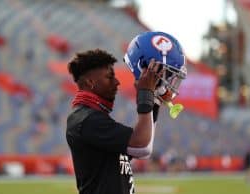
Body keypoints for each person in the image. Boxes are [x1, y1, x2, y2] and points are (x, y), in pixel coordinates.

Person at [66, 31, 186, 194]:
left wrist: (154, 100)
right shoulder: (86, 119)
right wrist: (145, 95)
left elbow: (143, 149)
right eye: (109, 77)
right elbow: (141, 143)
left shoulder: (94, 118)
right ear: (91, 82)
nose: (116, 82)